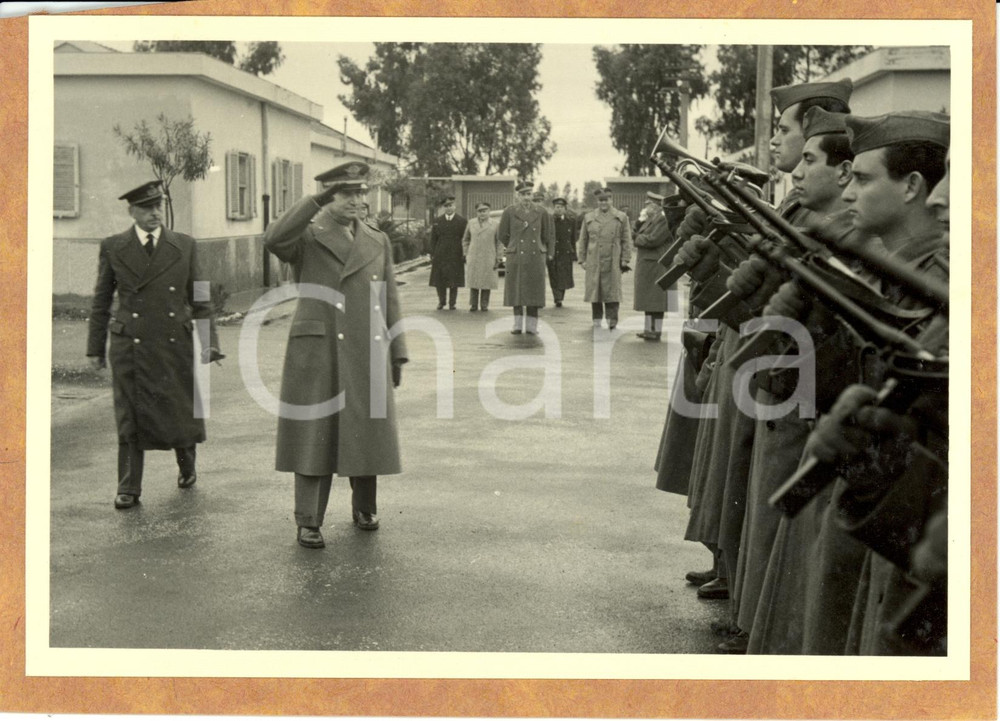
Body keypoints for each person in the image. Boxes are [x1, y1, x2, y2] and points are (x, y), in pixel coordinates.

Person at [262, 161, 408, 549]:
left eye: (361, 193)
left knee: (367, 430)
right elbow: (273, 239)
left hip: (367, 347)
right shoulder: (308, 235)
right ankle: (308, 518)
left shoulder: (376, 239)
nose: (358, 200)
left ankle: (365, 506)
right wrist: (314, 202)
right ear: (328, 196)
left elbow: (389, 296)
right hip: (319, 346)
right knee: (315, 434)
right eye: (347, 193)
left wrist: (398, 351)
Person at [87, 180, 222, 510]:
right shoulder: (113, 246)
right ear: (131, 211)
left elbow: (201, 297)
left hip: (173, 342)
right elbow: (101, 300)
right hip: (129, 345)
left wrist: (209, 342)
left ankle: (186, 465)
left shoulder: (185, 245)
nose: (155, 213)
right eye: (147, 208)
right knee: (130, 415)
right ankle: (129, 487)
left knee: (178, 409)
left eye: (158, 206)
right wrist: (94, 348)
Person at [498, 180, 554, 335]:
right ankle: (517, 324)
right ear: (518, 196)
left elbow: (546, 234)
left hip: (535, 256)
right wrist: (513, 245)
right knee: (516, 290)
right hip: (516, 256)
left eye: (528, 194)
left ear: (532, 194)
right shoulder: (510, 211)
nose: (526, 198)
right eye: (523, 195)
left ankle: (531, 326)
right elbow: (502, 233)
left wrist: (544, 250)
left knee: (534, 292)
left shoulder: (541, 212)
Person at [577, 187, 632, 330]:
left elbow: (627, 239)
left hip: (613, 259)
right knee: (596, 291)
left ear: (611, 200)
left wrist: (625, 258)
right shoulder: (589, 217)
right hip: (594, 259)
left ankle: (612, 320)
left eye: (606, 200)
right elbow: (583, 239)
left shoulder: (621, 217)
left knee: (612, 292)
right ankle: (596, 319)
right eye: (600, 200)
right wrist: (582, 259)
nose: (603, 203)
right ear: (597, 201)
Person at [631, 191, 674, 340]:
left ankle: (655, 331)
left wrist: (636, 238)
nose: (645, 207)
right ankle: (649, 329)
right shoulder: (651, 219)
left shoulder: (663, 220)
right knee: (649, 300)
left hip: (656, 264)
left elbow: (653, 240)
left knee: (656, 301)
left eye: (648, 204)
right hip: (650, 264)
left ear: (655, 206)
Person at [461, 201, 502, 311]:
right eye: (479, 211)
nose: (482, 213)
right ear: (476, 212)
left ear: (489, 211)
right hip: (474, 255)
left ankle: (484, 304)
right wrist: (466, 253)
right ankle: (473, 304)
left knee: (486, 282)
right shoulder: (471, 223)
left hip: (489, 256)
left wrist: (498, 257)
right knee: (474, 281)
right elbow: (466, 239)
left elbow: (499, 242)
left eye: (485, 211)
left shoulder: (495, 224)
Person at [428, 195, 467, 310]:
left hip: (456, 254)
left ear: (455, 206)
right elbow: (433, 238)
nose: (449, 208)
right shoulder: (437, 221)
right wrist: (432, 253)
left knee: (454, 280)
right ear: (443, 208)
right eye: (446, 206)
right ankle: (442, 301)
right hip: (440, 254)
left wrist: (464, 253)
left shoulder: (462, 221)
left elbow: (465, 239)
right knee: (440, 279)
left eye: (451, 206)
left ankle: (452, 303)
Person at [547, 197, 577, 307]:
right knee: (554, 275)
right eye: (556, 207)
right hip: (554, 252)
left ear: (565, 209)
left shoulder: (570, 221)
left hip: (566, 252)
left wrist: (574, 254)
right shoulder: (550, 221)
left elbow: (573, 238)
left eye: (560, 207)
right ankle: (557, 298)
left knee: (564, 276)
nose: (558, 209)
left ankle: (560, 296)